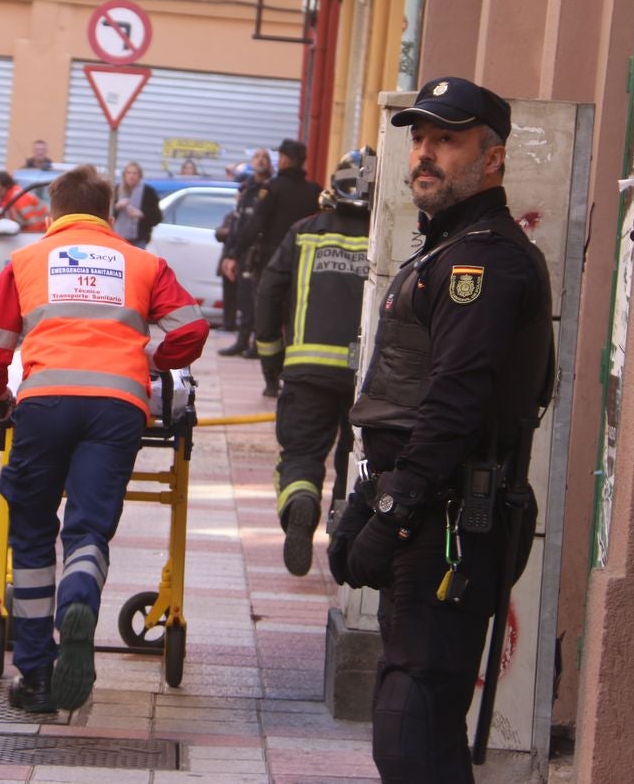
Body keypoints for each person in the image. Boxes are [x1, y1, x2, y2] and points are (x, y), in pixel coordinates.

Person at [325, 77, 553, 782]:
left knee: (411, 725)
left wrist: (392, 512)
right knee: (419, 721)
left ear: (492, 158)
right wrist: (367, 495)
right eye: (419, 139)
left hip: (452, 518)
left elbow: (454, 401)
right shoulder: (445, 248)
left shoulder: (483, 260)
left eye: (446, 140)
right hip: (426, 509)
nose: (425, 153)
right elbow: (401, 395)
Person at [0, 164, 209, 713]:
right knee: (88, 527)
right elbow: (192, 330)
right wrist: (148, 360)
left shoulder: (25, 261)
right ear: (107, 213)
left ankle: (36, 677)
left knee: (30, 532)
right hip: (118, 410)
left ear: (53, 212)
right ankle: (79, 597)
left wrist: (0, 397)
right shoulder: (144, 262)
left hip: (44, 405)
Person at [256, 147, 374, 576]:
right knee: (358, 460)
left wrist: (270, 359)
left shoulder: (304, 233)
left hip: (307, 371)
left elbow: (268, 294)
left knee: (302, 454)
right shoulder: (391, 237)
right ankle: (342, 545)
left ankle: (301, 504)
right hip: (369, 377)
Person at [228, 140, 322, 398]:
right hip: (304, 269)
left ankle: (271, 381)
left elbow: (255, 224)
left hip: (271, 268)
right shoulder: (315, 191)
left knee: (267, 325)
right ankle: (294, 378)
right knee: (296, 325)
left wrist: (234, 254)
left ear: (282, 160)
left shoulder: (272, 189)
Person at [217, 147, 273, 355]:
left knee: (257, 301)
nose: (260, 161)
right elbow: (239, 226)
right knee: (243, 300)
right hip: (242, 251)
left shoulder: (270, 189)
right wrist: (231, 254)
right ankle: (242, 341)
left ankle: (257, 345)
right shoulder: (247, 189)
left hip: (260, 253)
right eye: (257, 157)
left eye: (264, 158)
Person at [111, 162, 161, 248]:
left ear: (139, 176)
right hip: (118, 237)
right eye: (129, 173)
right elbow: (108, 214)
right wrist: (117, 206)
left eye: (135, 173)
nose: (131, 176)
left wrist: (142, 214)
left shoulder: (148, 192)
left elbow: (157, 217)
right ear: (124, 175)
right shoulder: (117, 190)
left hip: (139, 239)